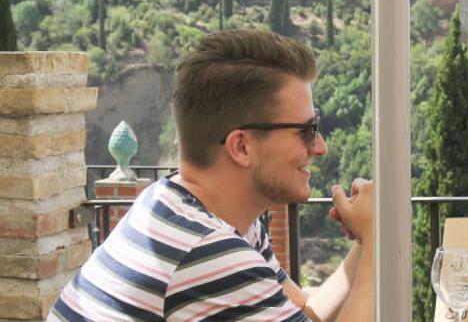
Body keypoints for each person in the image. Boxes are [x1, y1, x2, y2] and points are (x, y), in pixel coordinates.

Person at [49, 29, 373, 321]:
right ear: (241, 147)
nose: (320, 147)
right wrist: (376, 243)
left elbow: (304, 311)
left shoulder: (178, 205)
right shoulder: (206, 251)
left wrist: (367, 239)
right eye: (307, 130)